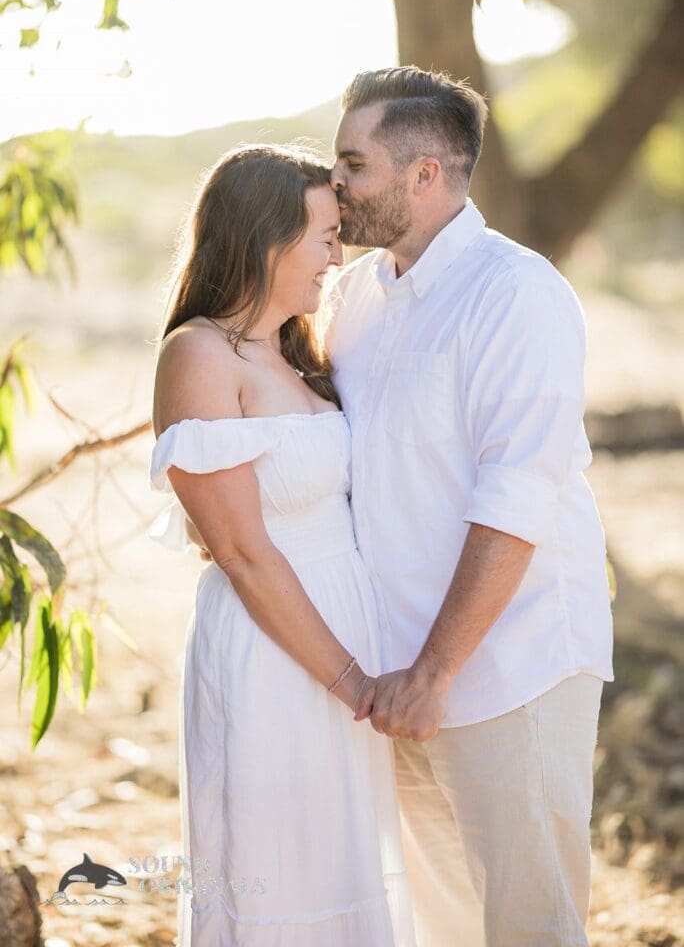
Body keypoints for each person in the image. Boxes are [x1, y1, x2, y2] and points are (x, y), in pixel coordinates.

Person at [324, 66, 615, 947]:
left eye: (353, 164)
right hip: (395, 680)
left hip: (509, 666)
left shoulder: (516, 294)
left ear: (425, 174)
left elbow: (514, 498)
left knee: (530, 925)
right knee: (443, 928)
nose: (333, 184)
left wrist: (436, 671)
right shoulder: (354, 294)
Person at [148, 144, 417, 946]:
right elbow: (241, 551)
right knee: (281, 876)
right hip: (276, 650)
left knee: (343, 870)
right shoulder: (197, 354)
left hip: (343, 634)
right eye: (325, 237)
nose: (339, 257)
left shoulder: (297, 351)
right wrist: (350, 678)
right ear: (266, 238)